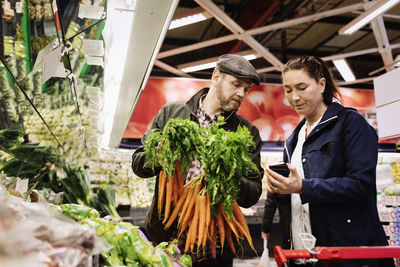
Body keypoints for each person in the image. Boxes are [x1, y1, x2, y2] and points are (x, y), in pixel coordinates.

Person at [131, 54, 264, 267]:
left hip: (215, 243)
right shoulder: (171, 114)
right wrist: (158, 157)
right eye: (236, 84)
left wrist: (226, 179)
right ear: (216, 77)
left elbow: (253, 192)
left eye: (246, 89)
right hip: (165, 234)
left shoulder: (247, 132)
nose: (241, 94)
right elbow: (138, 163)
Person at [264, 55, 393, 266]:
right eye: (288, 90)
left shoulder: (351, 124)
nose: (294, 97)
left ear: (322, 84)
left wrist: (303, 187)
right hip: (303, 255)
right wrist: (279, 188)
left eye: (302, 87)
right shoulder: (293, 139)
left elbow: (361, 185)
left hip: (343, 254)